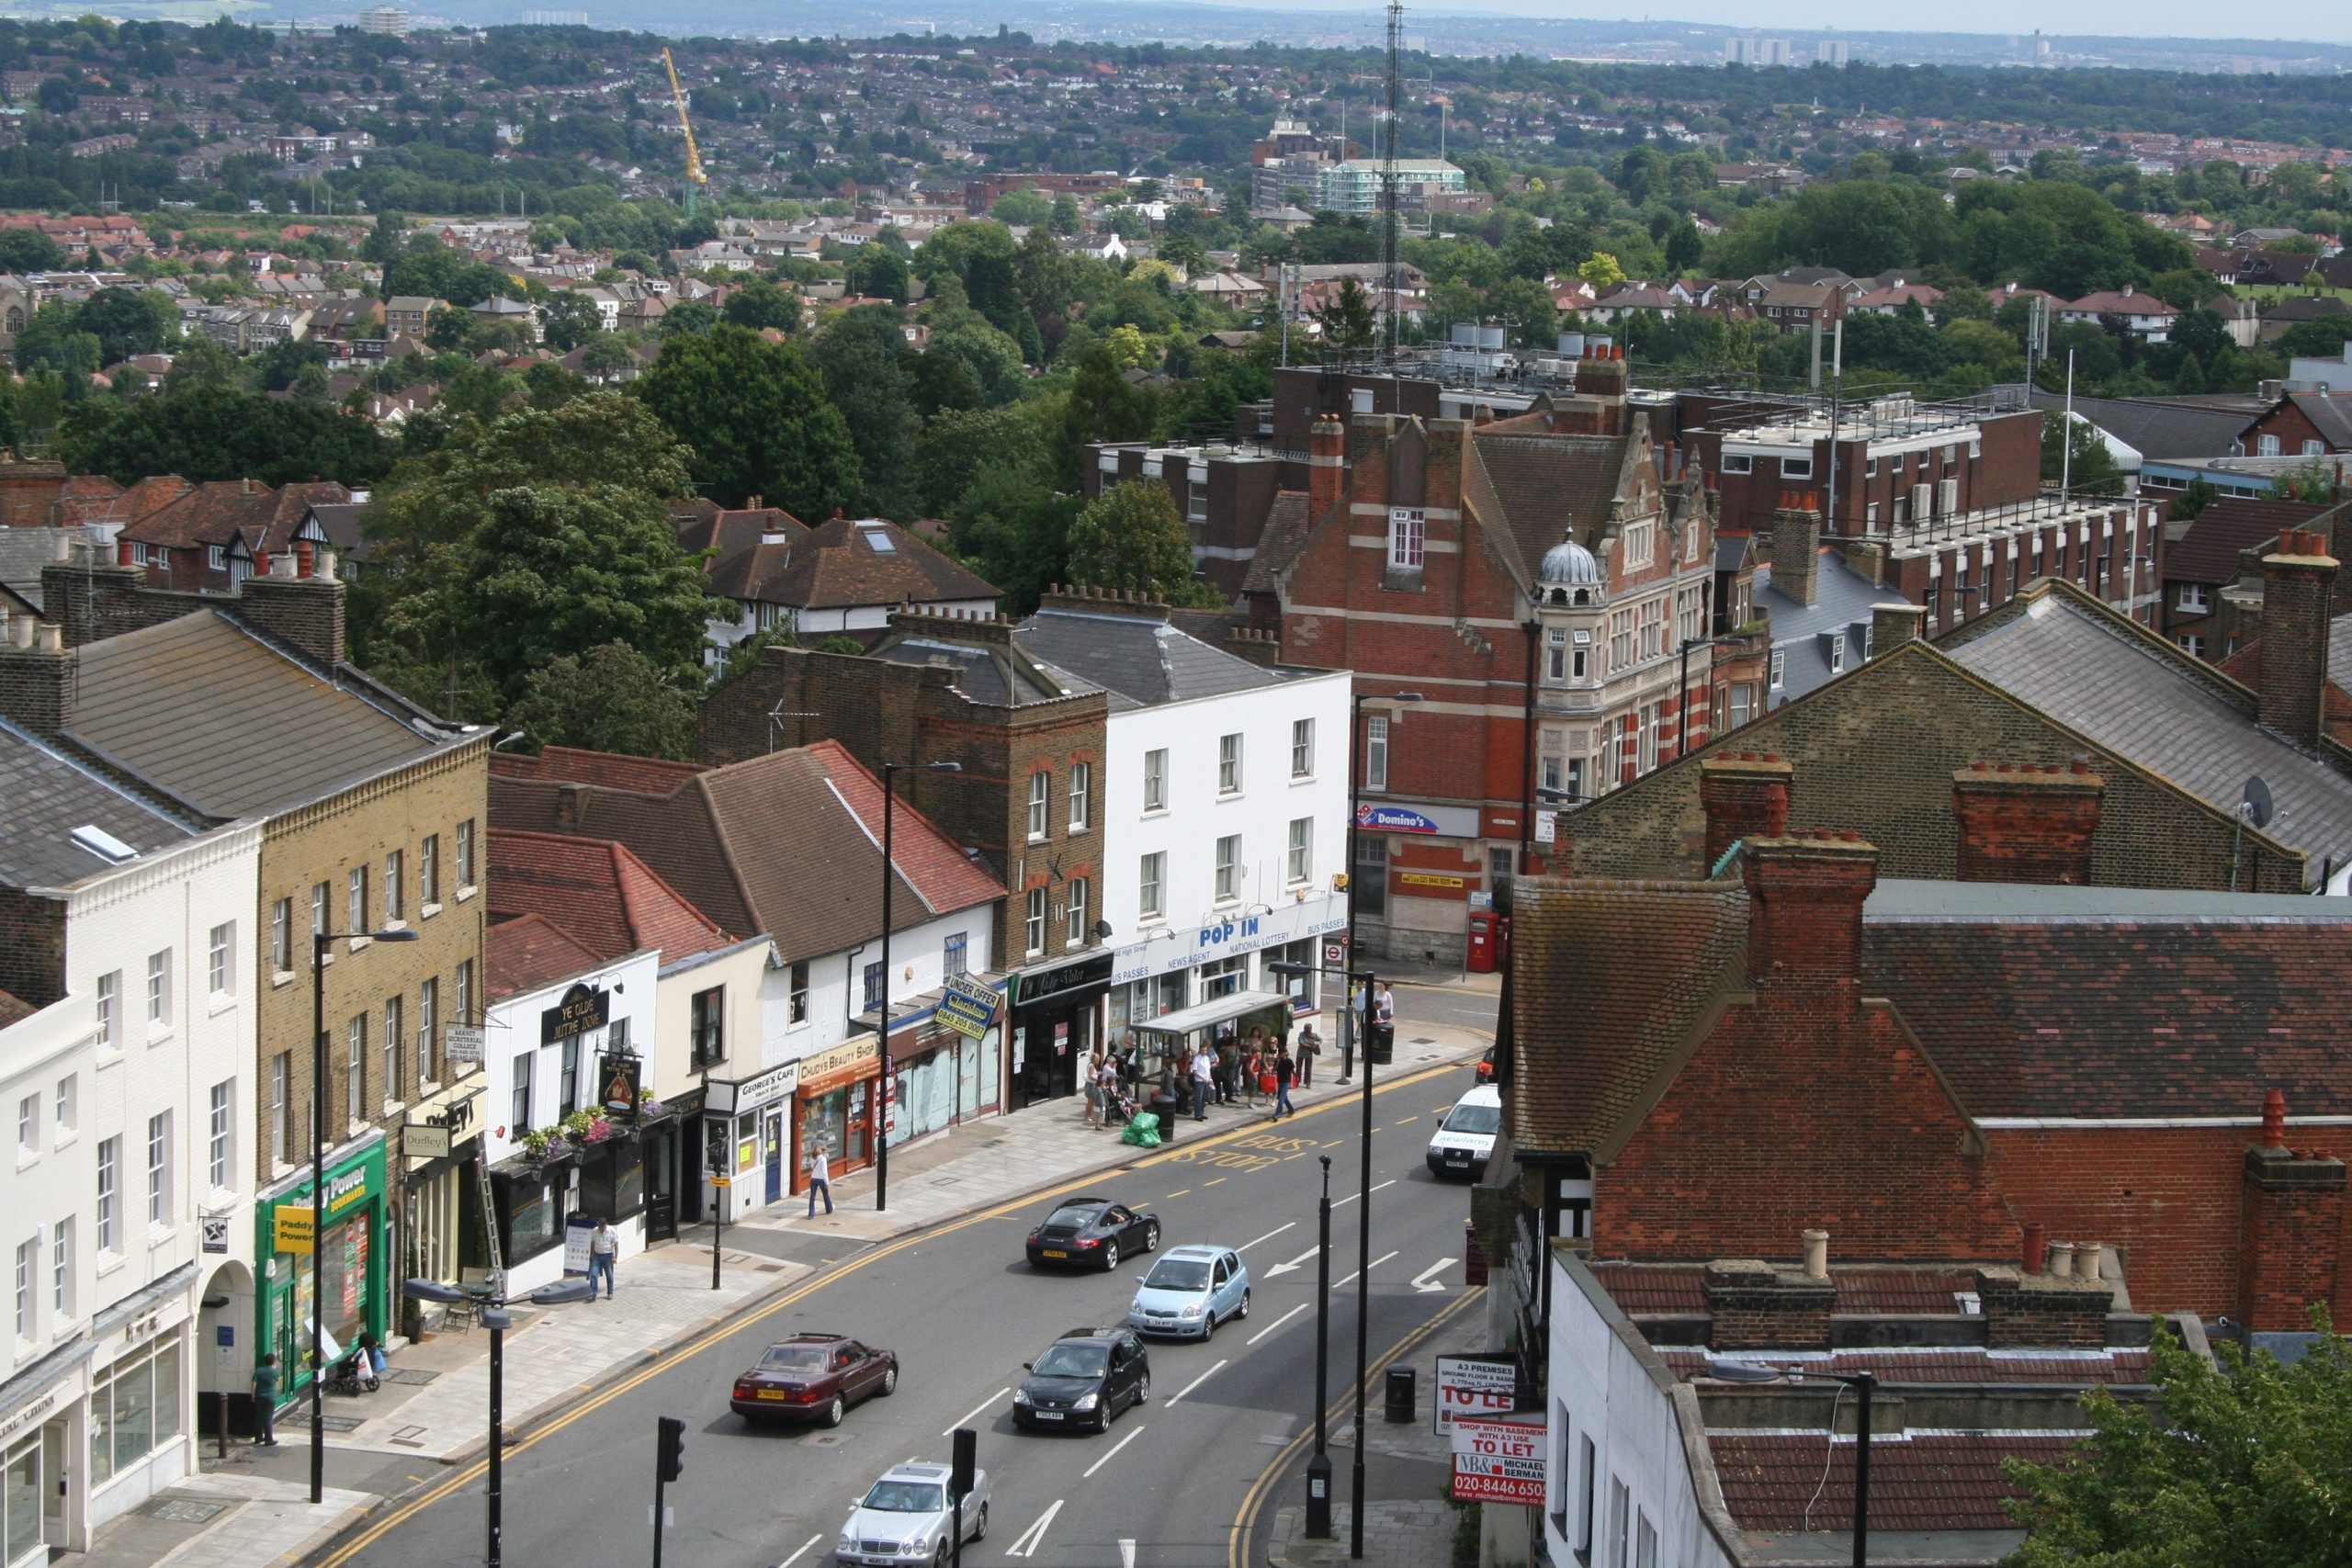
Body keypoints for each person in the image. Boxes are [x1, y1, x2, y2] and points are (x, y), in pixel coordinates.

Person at [252, 1353, 281, 1446]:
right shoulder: (274, 1372)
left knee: (259, 1418)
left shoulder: (259, 1370)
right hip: (270, 1397)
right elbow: (277, 1379)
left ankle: (258, 1437)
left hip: (259, 1396)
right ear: (273, 1362)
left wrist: (253, 1395)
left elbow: (254, 1382)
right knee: (268, 1418)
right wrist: (274, 1368)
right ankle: (269, 1440)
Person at [587, 1218, 617, 1299]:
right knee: (593, 1274)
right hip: (597, 1254)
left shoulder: (612, 1231)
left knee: (609, 1274)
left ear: (605, 1225)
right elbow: (592, 1243)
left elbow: (616, 1244)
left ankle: (610, 1292)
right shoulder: (594, 1231)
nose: (601, 1229)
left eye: (602, 1227)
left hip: (608, 1255)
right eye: (599, 1227)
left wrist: (615, 1257)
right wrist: (591, 1254)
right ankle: (593, 1293)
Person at [806, 1139, 834, 1216]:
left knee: (812, 1197)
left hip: (813, 1179)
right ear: (822, 1151)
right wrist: (827, 1182)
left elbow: (812, 1167)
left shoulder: (812, 1159)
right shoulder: (823, 1159)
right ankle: (829, 1209)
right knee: (825, 1195)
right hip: (821, 1179)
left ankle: (811, 1214)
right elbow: (824, 1172)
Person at [1190, 1044, 1215, 1121]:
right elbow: (1194, 1071)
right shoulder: (1197, 1059)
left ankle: (1201, 1113)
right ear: (1200, 1050)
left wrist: (1210, 1079)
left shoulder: (1207, 1058)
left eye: (1205, 1050)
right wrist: (1202, 1078)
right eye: (1203, 1050)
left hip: (1206, 1080)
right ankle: (1197, 1115)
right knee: (1199, 1098)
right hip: (1199, 1081)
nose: (1204, 1052)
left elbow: (1208, 1070)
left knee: (1204, 1098)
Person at [1272, 1045, 1296, 1120]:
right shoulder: (1277, 1061)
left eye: (1282, 1053)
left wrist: (1296, 1078)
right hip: (1280, 1081)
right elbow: (1274, 1070)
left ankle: (1277, 1114)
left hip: (1286, 1082)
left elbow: (1292, 1071)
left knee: (1281, 1099)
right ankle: (1291, 1110)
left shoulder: (1289, 1061)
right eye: (1280, 1053)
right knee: (1284, 1098)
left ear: (1285, 1053)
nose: (1281, 1054)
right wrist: (1278, 1062)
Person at [1295, 1023, 1320, 1089]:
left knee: (1308, 1069)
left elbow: (1320, 1040)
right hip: (1300, 1054)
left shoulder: (1314, 1035)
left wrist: (1316, 1044)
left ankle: (1308, 1082)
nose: (1308, 1030)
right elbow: (1302, 1043)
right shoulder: (1301, 1034)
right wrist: (1311, 1046)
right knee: (1298, 1068)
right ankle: (1297, 1081)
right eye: (1306, 1029)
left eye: (1309, 1029)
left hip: (1308, 1055)